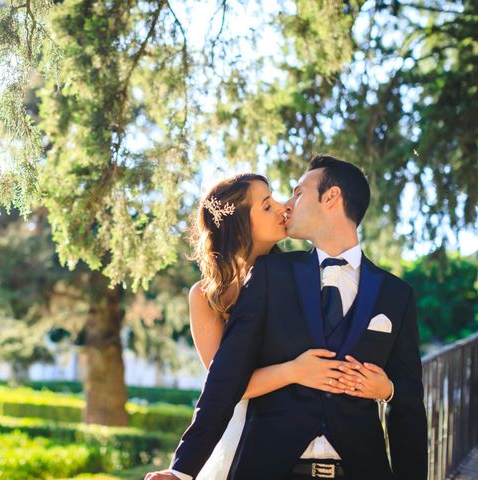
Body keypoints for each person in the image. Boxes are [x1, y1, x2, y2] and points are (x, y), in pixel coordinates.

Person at [146, 157, 427, 479]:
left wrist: (389, 389)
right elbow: (225, 379)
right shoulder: (269, 275)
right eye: (272, 203)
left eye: (297, 193)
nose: (287, 206)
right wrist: (181, 470)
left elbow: (409, 404)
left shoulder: (396, 294)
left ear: (331, 197)